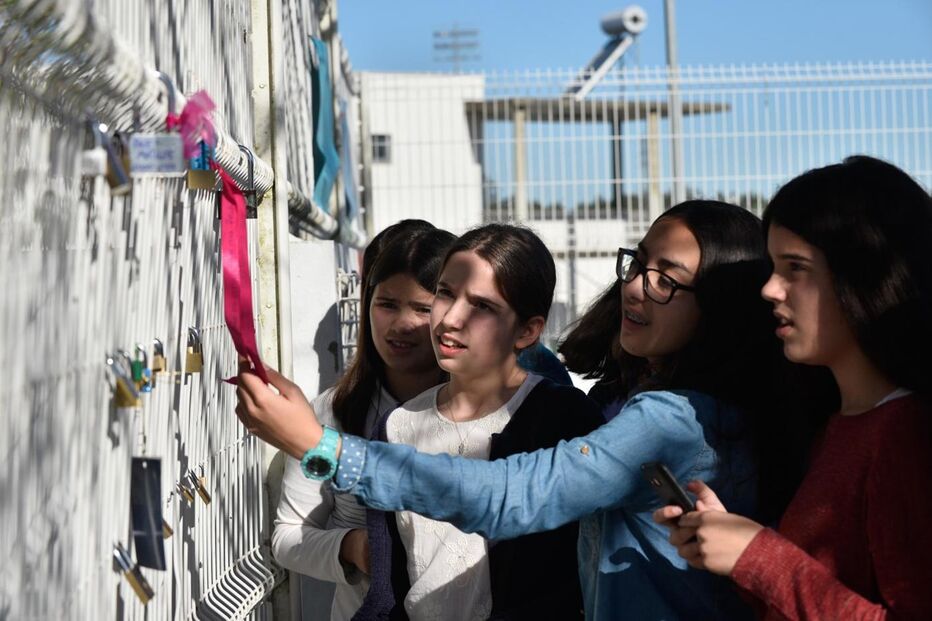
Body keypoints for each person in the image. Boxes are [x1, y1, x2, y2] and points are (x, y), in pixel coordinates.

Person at [236, 201, 792, 620]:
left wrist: (321, 448)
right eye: (637, 263)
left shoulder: (662, 421)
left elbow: (511, 497)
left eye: (666, 280)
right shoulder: (615, 398)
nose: (635, 289)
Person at [654, 156, 932, 619]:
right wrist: (735, 548)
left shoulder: (905, 435)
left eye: (795, 267)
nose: (770, 289)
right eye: (773, 266)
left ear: (868, 277)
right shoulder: (838, 425)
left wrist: (759, 555)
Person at [359, 224, 602, 620]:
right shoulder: (396, 426)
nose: (450, 319)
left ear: (528, 330)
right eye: (445, 293)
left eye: (482, 306)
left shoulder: (566, 419)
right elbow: (387, 591)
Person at [272, 222, 455, 621]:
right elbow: (288, 537)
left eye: (423, 309)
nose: (401, 323)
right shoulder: (331, 412)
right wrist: (353, 547)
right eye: (387, 303)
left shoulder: (485, 409)